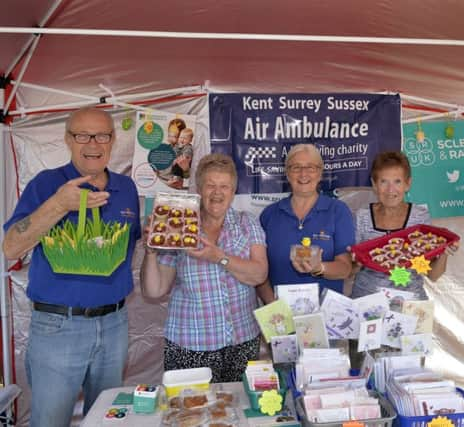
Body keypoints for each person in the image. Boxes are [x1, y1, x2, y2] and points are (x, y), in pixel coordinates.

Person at [2, 107, 141, 427]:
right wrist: (58, 204)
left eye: (102, 135)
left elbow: (132, 245)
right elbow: (11, 247)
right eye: (82, 135)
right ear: (67, 139)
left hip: (114, 325)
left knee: (108, 420)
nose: (93, 144)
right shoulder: (46, 184)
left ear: (113, 140)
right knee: (50, 421)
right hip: (57, 326)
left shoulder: (127, 189)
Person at [140, 153, 268, 382]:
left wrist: (218, 256)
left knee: (238, 411)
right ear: (199, 189)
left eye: (224, 186)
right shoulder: (180, 224)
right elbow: (155, 290)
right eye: (210, 185)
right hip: (191, 344)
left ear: (233, 191)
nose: (217, 193)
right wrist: (150, 251)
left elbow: (259, 274)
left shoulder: (247, 222)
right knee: (191, 413)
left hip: (243, 341)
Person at [259, 144, 354, 300]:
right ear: (287, 173)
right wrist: (273, 307)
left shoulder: (338, 211)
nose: (303, 174)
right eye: (296, 167)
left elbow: (345, 268)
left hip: (327, 313)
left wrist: (319, 267)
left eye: (311, 168)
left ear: (320, 173)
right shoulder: (269, 215)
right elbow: (260, 271)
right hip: (281, 313)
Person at [351, 151, 449, 299]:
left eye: (397, 181)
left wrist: (444, 251)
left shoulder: (419, 217)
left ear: (407, 184)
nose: (391, 190)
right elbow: (350, 271)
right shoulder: (362, 216)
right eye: (384, 182)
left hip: (410, 303)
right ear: (374, 184)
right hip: (367, 303)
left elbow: (433, 274)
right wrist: (356, 262)